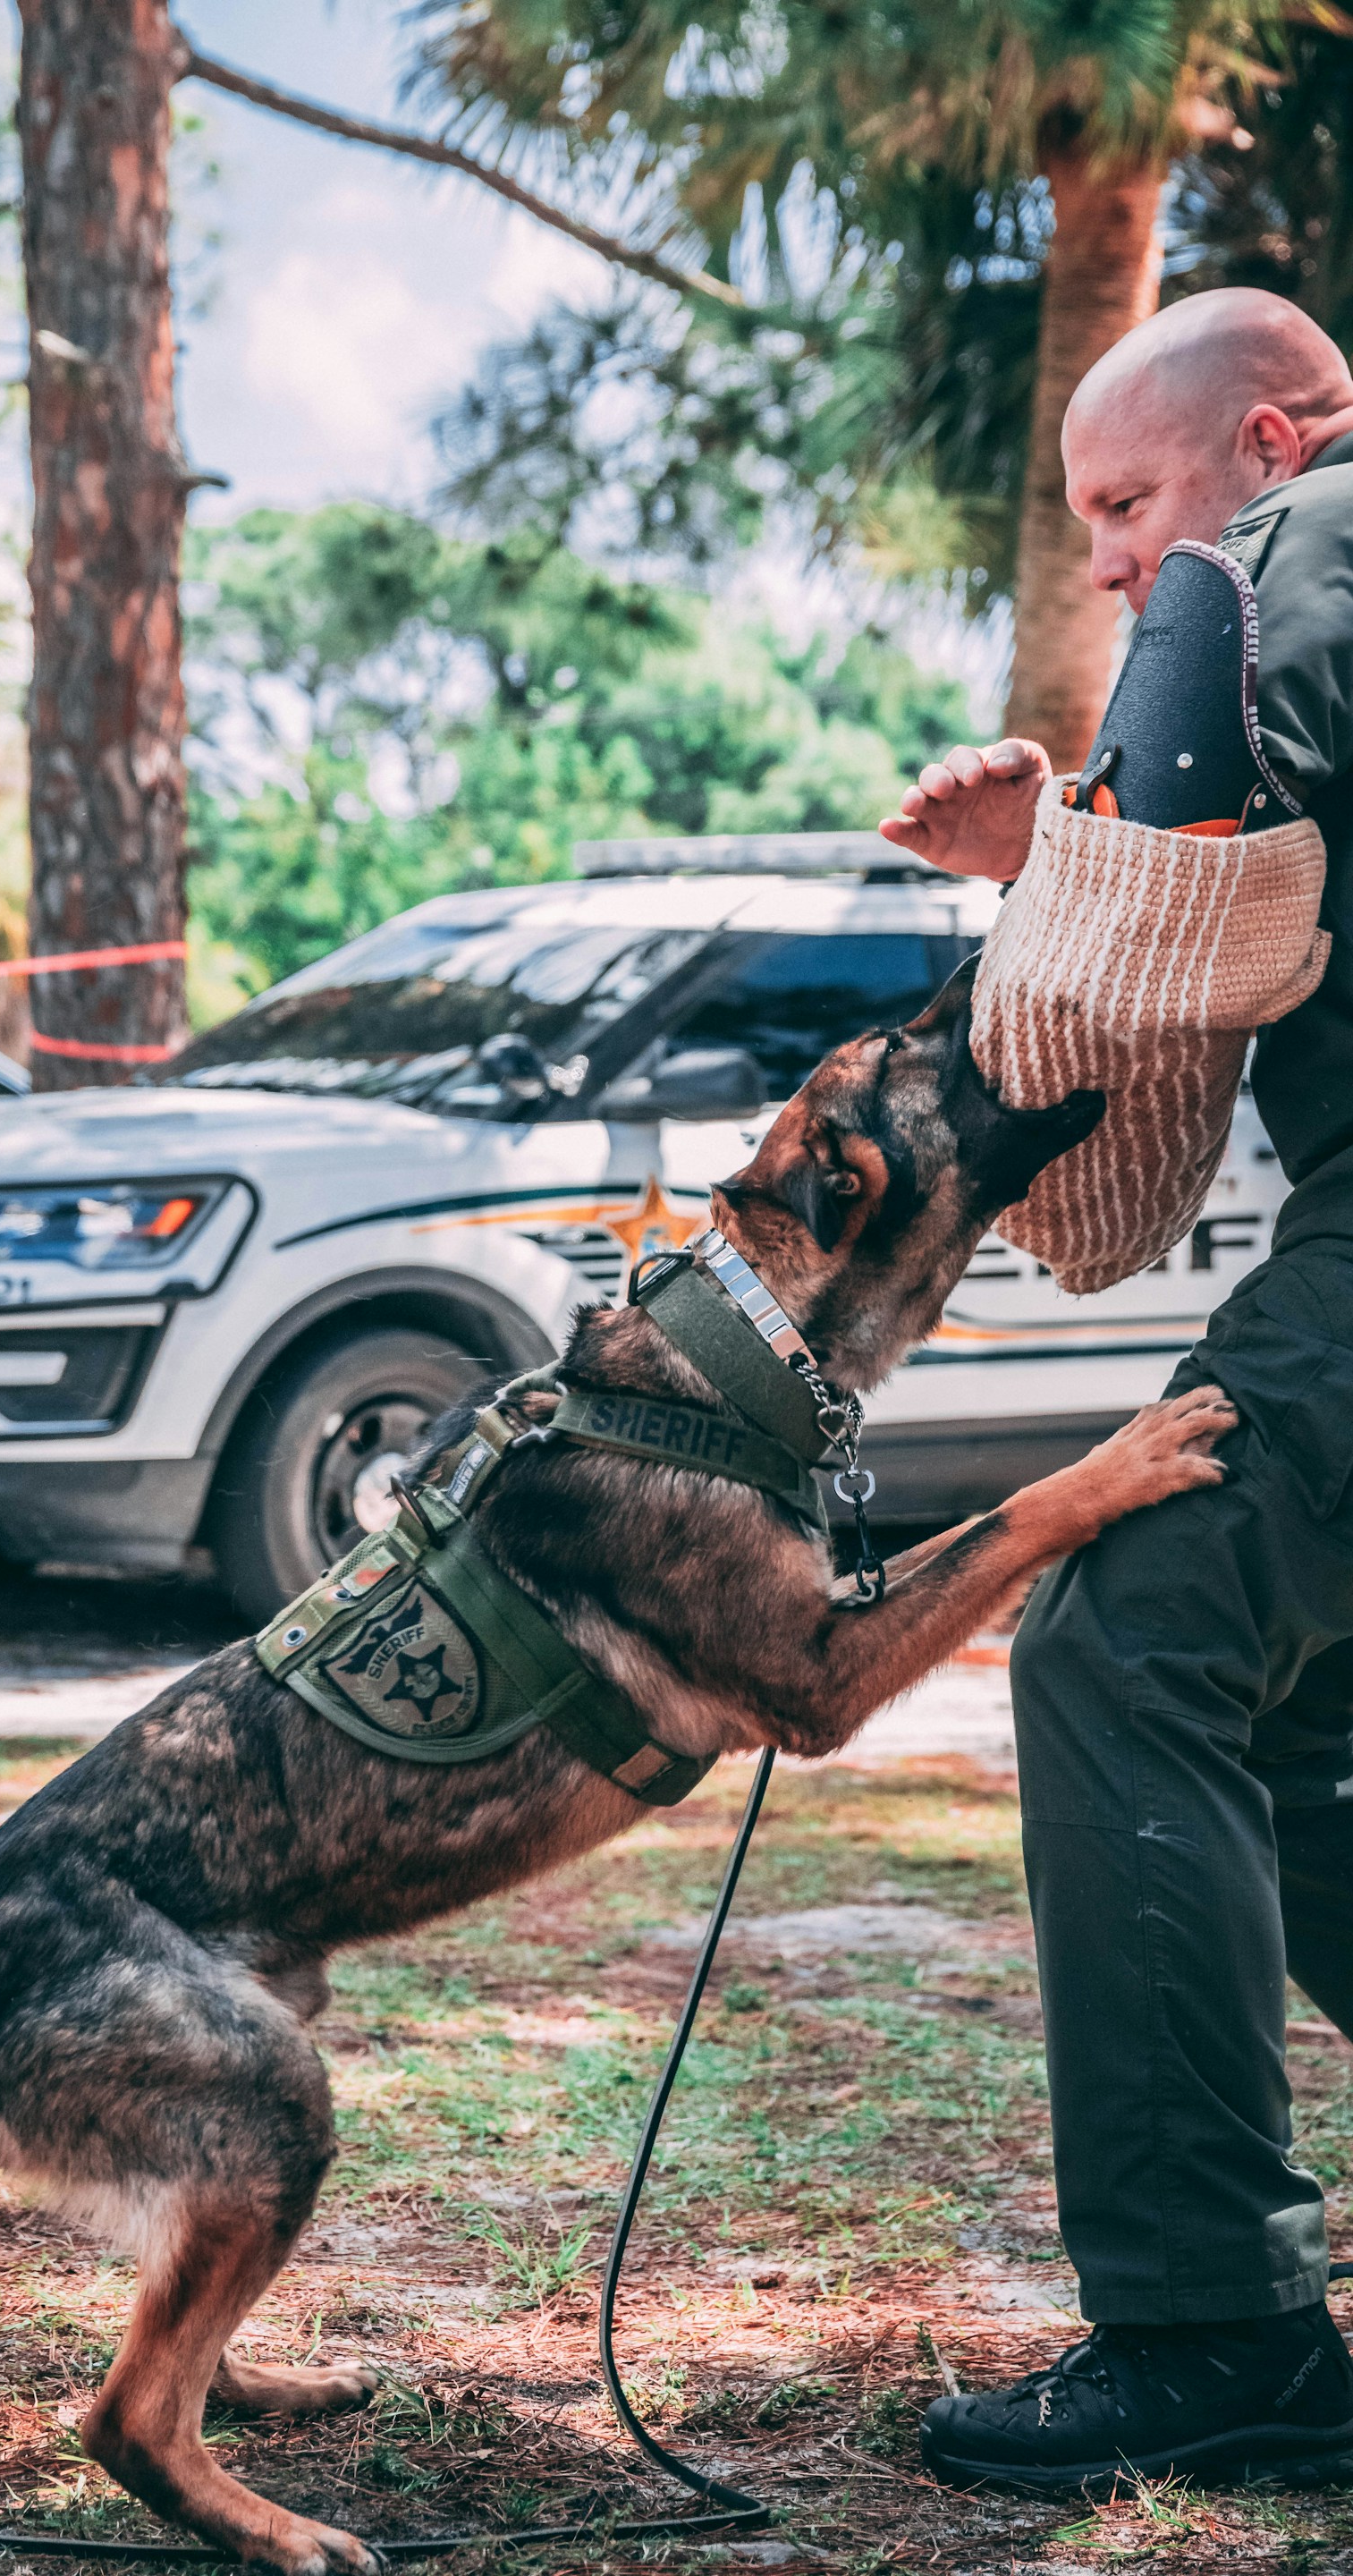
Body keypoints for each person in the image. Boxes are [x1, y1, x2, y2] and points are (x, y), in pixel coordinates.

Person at [879, 287, 1353, 2493]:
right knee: (1305, 1700)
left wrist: (1033, 877)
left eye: (1123, 505)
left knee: (1115, 1631)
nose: (1103, 567)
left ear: (1272, 438)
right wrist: (1075, 854)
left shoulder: (1250, 582)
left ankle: (1208, 2327)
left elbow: (1106, 1049)